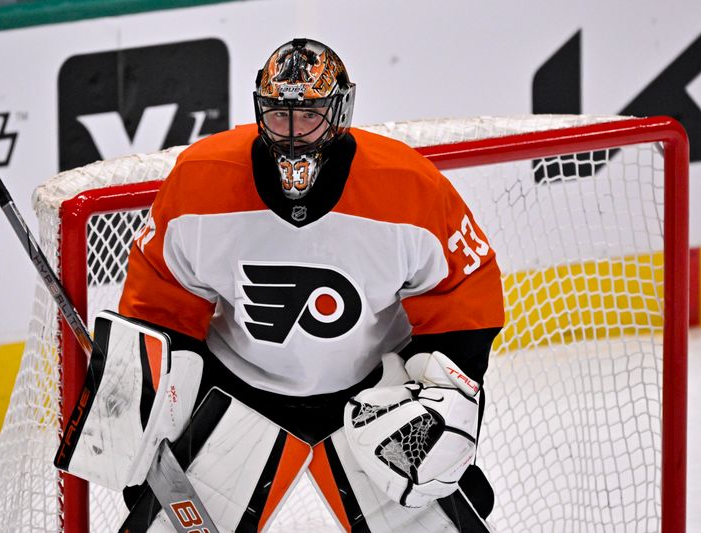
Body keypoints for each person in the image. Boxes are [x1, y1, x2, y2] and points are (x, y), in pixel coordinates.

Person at [118, 38, 504, 532]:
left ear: (339, 112)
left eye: (310, 114)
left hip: (373, 398)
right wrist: (153, 414)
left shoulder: (409, 186)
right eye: (279, 115)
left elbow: (464, 294)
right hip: (239, 389)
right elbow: (160, 299)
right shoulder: (201, 178)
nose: (294, 132)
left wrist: (443, 406)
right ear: (260, 112)